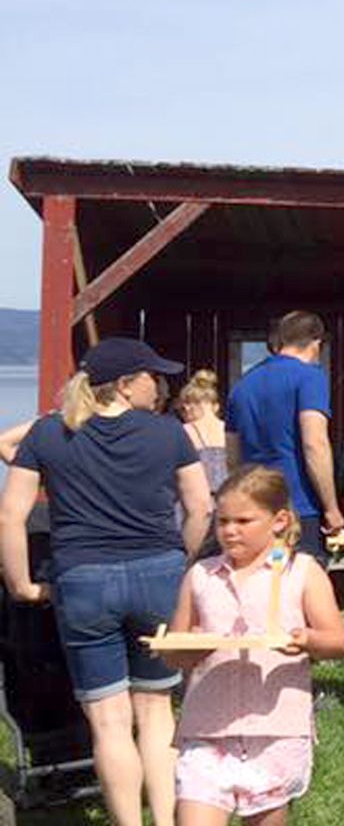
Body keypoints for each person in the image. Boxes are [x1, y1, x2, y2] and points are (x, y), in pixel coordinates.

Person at [0, 338, 212, 826]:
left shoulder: (49, 434)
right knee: (157, 714)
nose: (160, 385)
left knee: (110, 723)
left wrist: (22, 585)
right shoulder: (170, 434)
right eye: (151, 377)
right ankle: (166, 820)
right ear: (123, 384)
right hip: (158, 574)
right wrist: (181, 562)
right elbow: (200, 507)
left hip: (82, 582)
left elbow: (11, 514)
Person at [165, 466, 344, 826]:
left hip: (275, 728)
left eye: (243, 521)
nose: (230, 531)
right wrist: (190, 649)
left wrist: (308, 640)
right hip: (207, 728)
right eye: (222, 521)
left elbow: (338, 641)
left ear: (279, 521)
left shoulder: (302, 572)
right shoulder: (201, 575)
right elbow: (173, 648)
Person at [225, 312, 344, 561]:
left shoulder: (243, 385)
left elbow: (232, 457)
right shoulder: (310, 377)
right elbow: (315, 444)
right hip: (298, 507)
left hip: (254, 505)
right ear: (316, 343)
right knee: (298, 591)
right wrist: (332, 509)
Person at [176, 370, 230, 497]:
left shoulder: (184, 431)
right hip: (227, 500)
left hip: (193, 500)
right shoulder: (229, 430)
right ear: (215, 406)